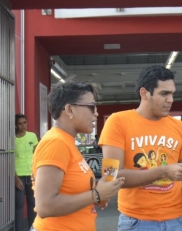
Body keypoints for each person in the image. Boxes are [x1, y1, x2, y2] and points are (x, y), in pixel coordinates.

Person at [100, 65, 182, 231]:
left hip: (178, 220)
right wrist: (163, 171)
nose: (170, 99)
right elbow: (111, 177)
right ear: (144, 93)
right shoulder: (118, 122)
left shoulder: (178, 127)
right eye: (164, 94)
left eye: (172, 94)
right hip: (137, 222)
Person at [31, 81, 124, 231]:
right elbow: (45, 207)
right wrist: (96, 195)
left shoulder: (66, 142)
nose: (96, 113)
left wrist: (98, 194)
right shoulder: (56, 143)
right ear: (69, 110)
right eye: (91, 107)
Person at [14, 113, 38, 231]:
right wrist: (15, 177)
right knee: (18, 205)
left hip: (31, 174)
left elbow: (37, 155)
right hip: (18, 175)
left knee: (32, 203)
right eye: (20, 124)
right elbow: (9, 159)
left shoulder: (32, 136)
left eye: (24, 123)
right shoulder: (11, 139)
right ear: (15, 125)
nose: (23, 126)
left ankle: (32, 228)